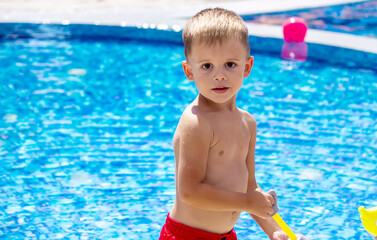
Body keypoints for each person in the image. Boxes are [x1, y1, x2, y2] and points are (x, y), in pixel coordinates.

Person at [159, 8, 305, 240]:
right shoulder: (196, 122)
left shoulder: (248, 123)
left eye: (230, 64)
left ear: (247, 67)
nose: (219, 75)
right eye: (207, 66)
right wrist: (248, 202)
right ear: (189, 71)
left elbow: (249, 187)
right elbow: (190, 191)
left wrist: (276, 231)